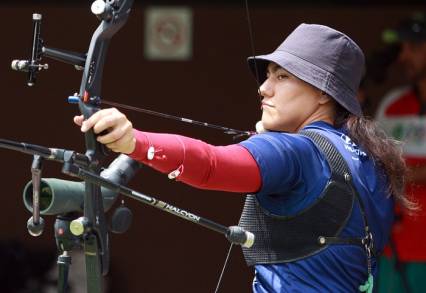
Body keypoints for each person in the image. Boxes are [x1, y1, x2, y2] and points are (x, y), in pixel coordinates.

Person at [74, 24, 413, 292]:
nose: (264, 88)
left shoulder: (296, 151)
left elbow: (210, 164)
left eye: (282, 77)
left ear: (324, 92)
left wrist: (134, 141)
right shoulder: (368, 160)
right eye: (267, 75)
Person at [375, 13, 426, 293]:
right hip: (394, 249)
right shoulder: (392, 105)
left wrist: (404, 174)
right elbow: (375, 168)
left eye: (415, 47)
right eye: (403, 47)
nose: (404, 55)